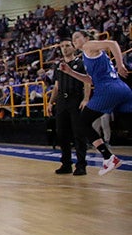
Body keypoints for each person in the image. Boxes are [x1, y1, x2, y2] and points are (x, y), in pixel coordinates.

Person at [58, 29, 128, 175]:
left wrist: (120, 65)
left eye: (77, 37)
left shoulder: (89, 46)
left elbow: (112, 43)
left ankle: (109, 157)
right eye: (73, 38)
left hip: (107, 90)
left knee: (82, 123)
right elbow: (91, 80)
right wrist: (70, 72)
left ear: (86, 38)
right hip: (122, 88)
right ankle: (108, 157)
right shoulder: (87, 55)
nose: (74, 40)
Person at [47, 39, 89, 175]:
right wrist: (50, 102)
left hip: (75, 99)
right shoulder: (58, 66)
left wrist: (86, 98)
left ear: (74, 47)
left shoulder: (81, 63)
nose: (64, 48)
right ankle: (66, 164)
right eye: (62, 46)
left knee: (78, 133)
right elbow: (56, 86)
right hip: (61, 101)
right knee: (62, 134)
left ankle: (81, 165)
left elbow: (87, 82)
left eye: (67, 46)